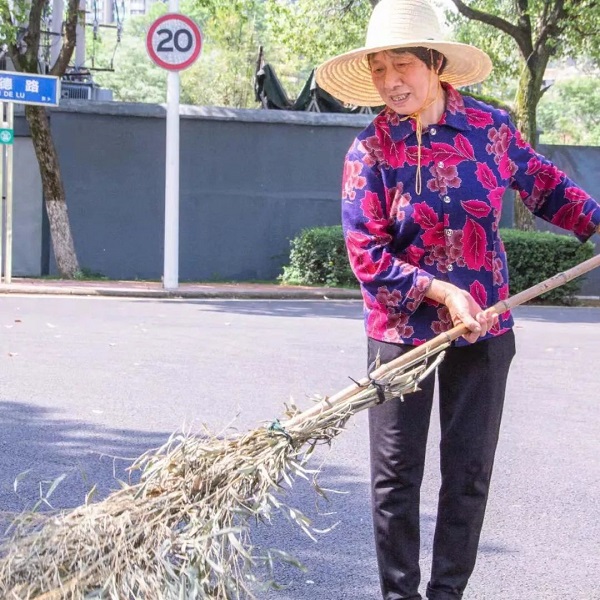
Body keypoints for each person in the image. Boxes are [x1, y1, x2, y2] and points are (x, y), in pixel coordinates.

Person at [315, 1, 600, 599]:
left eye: (403, 65)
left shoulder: (490, 129)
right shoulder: (369, 153)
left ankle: (447, 594)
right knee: (395, 479)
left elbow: (544, 185)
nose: (390, 81)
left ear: (436, 63)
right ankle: (400, 595)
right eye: (379, 69)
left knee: (468, 474)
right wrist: (440, 290)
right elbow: (367, 256)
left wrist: (597, 222)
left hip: (485, 327)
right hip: (401, 332)